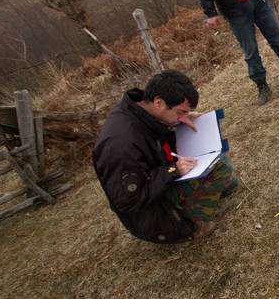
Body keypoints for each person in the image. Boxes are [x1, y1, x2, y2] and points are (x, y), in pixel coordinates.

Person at [92, 70, 238, 243]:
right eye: (180, 112)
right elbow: (127, 201)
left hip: (159, 180)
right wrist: (172, 170)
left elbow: (154, 141)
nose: (182, 117)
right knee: (221, 170)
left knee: (224, 169)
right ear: (159, 102)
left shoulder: (144, 109)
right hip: (152, 214)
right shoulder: (120, 144)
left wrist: (180, 121)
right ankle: (188, 222)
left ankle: (200, 194)